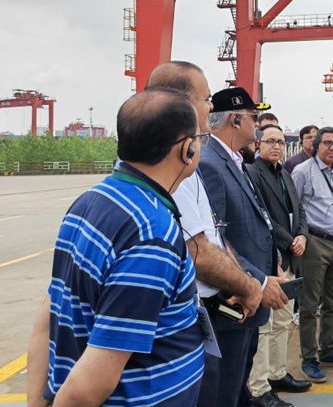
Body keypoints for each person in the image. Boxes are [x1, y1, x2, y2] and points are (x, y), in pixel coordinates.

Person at [26, 89, 204, 407]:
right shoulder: (152, 234)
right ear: (186, 149)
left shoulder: (90, 201)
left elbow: (49, 313)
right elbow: (91, 385)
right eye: (198, 138)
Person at [144, 62, 265, 407]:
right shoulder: (169, 164)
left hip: (218, 304)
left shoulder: (189, 159)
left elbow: (213, 232)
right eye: (206, 98)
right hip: (198, 313)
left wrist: (242, 279)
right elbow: (196, 250)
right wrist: (247, 285)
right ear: (180, 102)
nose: (210, 107)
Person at [200, 87, 289, 407]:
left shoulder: (235, 160)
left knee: (239, 383)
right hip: (235, 299)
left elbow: (257, 222)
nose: (259, 127)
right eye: (254, 118)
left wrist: (272, 264)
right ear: (236, 119)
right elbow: (216, 239)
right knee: (225, 386)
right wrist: (259, 281)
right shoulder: (210, 163)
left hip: (252, 295)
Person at [248, 125, 312, 406]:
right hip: (269, 258)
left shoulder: (284, 173)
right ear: (258, 144)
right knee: (265, 325)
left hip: (290, 256)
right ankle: (259, 387)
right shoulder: (252, 174)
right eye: (271, 141)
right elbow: (261, 216)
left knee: (284, 321)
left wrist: (302, 235)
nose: (276, 146)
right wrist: (290, 240)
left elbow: (299, 210)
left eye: (281, 142)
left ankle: (277, 373)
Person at [291, 127, 333, 383]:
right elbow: (295, 208)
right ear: (317, 145)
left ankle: (328, 349)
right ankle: (309, 359)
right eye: (327, 143)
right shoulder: (302, 172)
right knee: (309, 305)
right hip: (315, 243)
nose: (332, 148)